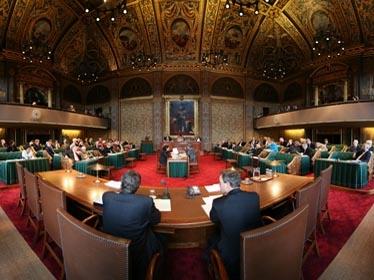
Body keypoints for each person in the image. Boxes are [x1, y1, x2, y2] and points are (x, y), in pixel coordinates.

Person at [102, 170, 163, 280]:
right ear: (137, 186)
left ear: (121, 182)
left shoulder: (107, 196)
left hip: (111, 248)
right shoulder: (146, 202)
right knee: (162, 241)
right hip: (135, 252)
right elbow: (156, 219)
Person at [208, 169, 261, 280]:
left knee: (211, 239)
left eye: (220, 183)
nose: (219, 185)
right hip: (254, 247)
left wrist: (223, 198)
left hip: (232, 256)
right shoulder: (254, 196)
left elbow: (213, 219)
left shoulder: (218, 203)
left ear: (227, 185)